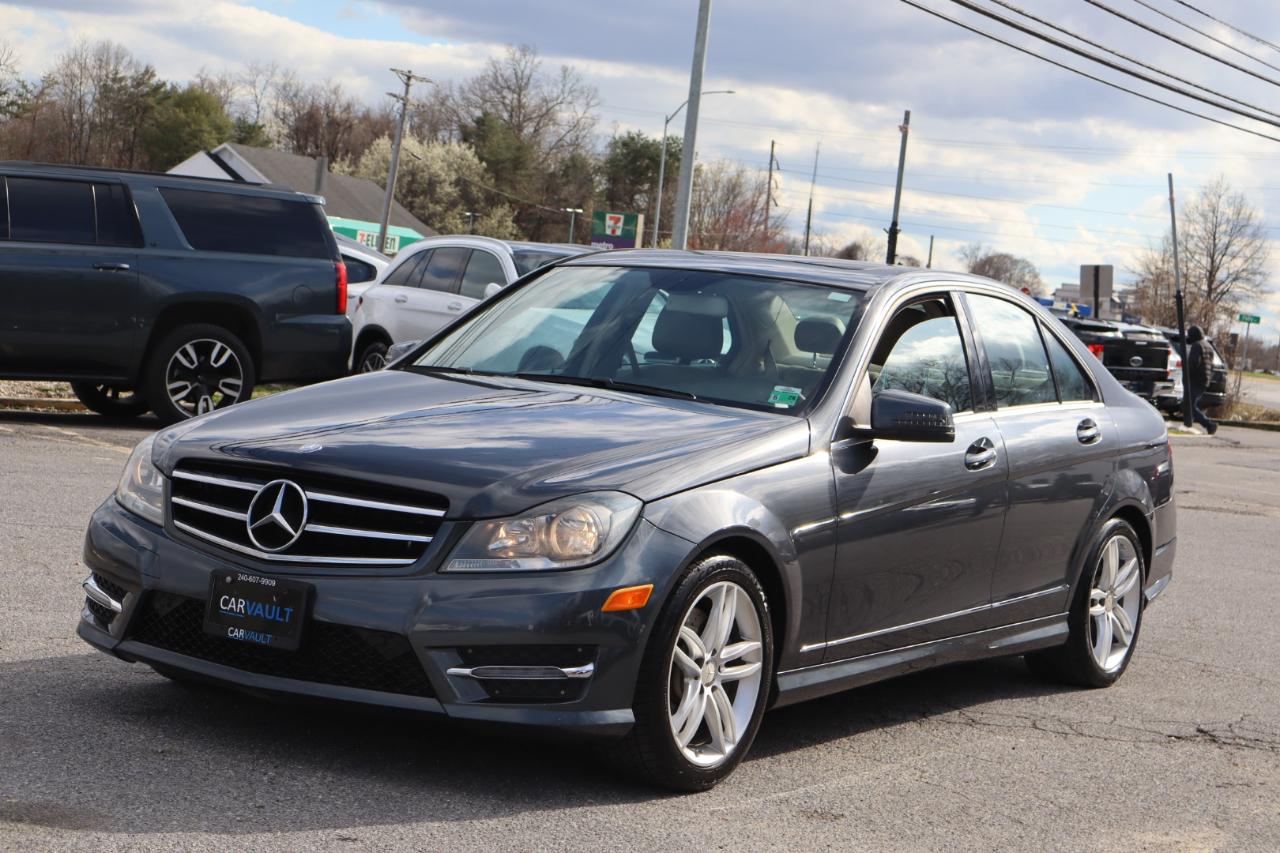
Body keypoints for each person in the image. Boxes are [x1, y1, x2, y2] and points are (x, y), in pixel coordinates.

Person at [1184, 325, 1217, 435]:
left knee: (1189, 405)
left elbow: (1194, 363)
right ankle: (1189, 424)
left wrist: (1187, 375)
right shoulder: (1208, 345)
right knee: (1191, 404)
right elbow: (1212, 366)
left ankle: (1209, 424)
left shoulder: (1197, 346)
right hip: (1204, 380)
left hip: (1195, 379)